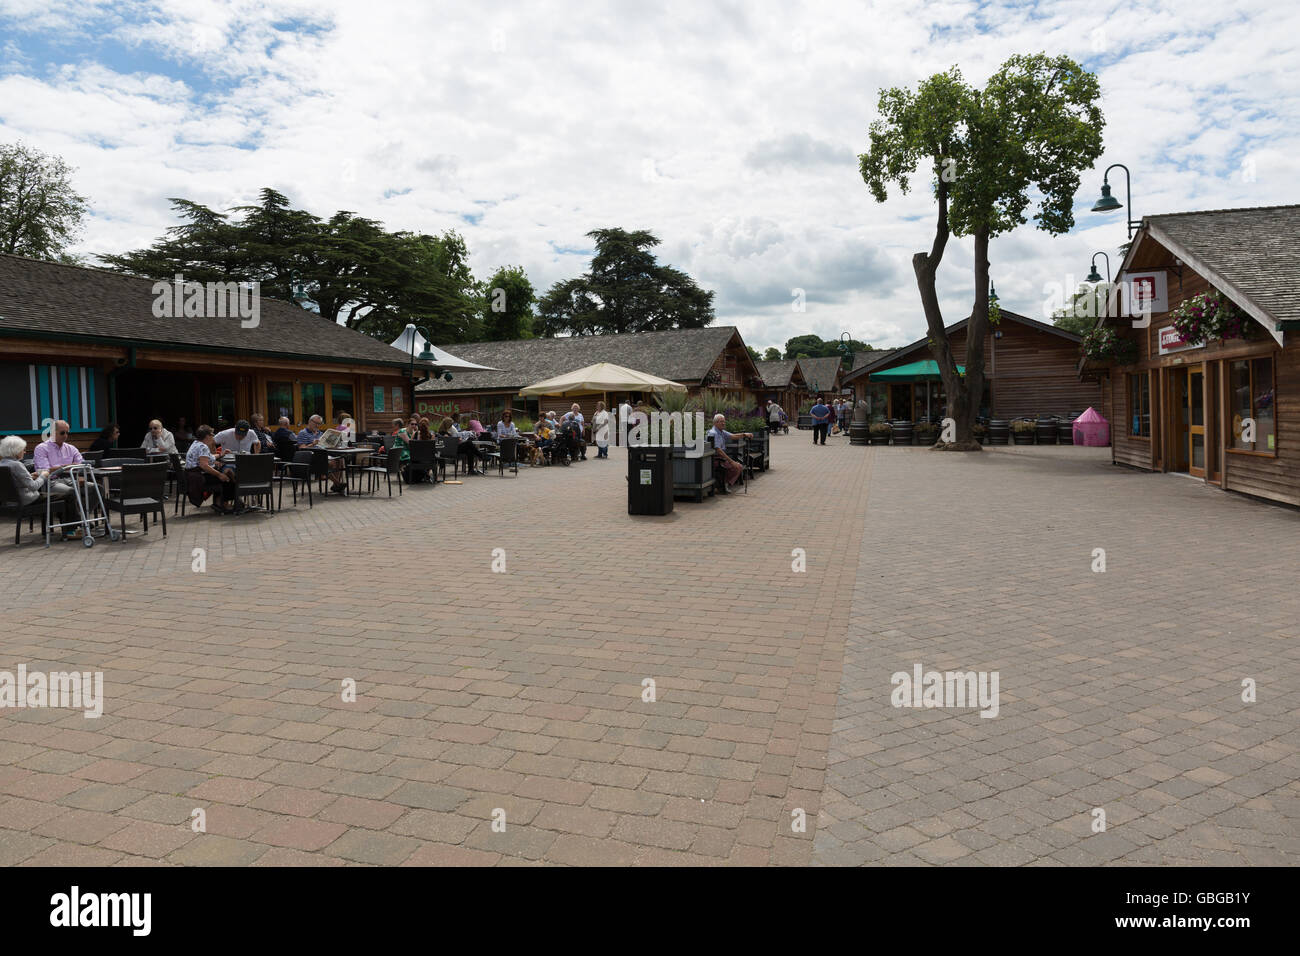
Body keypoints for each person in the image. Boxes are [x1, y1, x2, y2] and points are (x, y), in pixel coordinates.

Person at [1, 435, 77, 538]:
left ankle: (72, 525)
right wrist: (43, 476)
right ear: (16, 450)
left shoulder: (3, 464)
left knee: (61, 496)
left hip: (14, 500)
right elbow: (33, 487)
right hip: (30, 499)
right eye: (23, 450)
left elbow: (16, 481)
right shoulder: (17, 465)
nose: (25, 452)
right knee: (69, 495)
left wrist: (31, 476)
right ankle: (71, 530)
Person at [184, 424, 237, 515]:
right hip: (199, 477)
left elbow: (209, 457)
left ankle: (219, 502)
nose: (213, 436)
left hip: (192, 475)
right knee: (227, 476)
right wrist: (220, 475)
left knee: (223, 472)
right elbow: (204, 465)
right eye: (212, 434)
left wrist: (221, 454)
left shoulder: (196, 443)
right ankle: (223, 504)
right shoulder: (203, 447)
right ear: (207, 436)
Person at [33, 421, 84, 501]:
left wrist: (81, 476)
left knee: (96, 488)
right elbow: (44, 471)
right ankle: (75, 513)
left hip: (71, 479)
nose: (65, 436)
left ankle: (81, 512)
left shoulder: (71, 448)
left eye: (67, 433)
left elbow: (81, 464)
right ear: (53, 432)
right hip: (51, 482)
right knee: (71, 492)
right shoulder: (41, 448)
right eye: (62, 433)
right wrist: (66, 467)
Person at [706, 414, 751, 492]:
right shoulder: (714, 433)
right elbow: (718, 450)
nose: (723, 423)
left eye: (724, 421)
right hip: (715, 458)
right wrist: (732, 462)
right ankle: (723, 485)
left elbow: (733, 436)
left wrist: (744, 434)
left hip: (721, 458)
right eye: (721, 422)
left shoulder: (721, 431)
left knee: (738, 466)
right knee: (737, 467)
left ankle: (723, 484)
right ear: (715, 423)